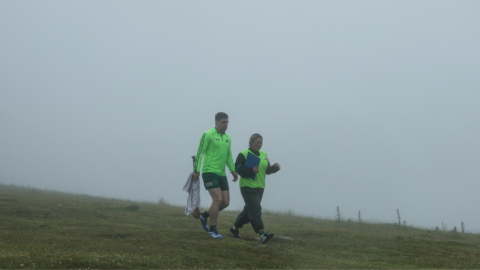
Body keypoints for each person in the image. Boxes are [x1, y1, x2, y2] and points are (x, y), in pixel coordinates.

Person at [193, 112, 238, 238]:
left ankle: (204, 215)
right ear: (216, 122)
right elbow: (199, 153)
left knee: (225, 202)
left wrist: (232, 170)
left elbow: (228, 155)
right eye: (223, 122)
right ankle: (213, 229)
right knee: (217, 199)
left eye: (227, 122)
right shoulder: (208, 134)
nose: (226, 124)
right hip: (209, 172)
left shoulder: (228, 138)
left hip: (221, 174)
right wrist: (196, 170)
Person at [230, 133, 280, 244]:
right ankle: (262, 234)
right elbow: (239, 169)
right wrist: (251, 171)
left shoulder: (264, 154)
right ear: (251, 142)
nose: (260, 145)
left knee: (249, 211)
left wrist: (275, 168)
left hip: (260, 187)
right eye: (258, 142)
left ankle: (234, 228)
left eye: (261, 143)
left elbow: (267, 170)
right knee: (256, 209)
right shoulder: (243, 154)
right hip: (247, 186)